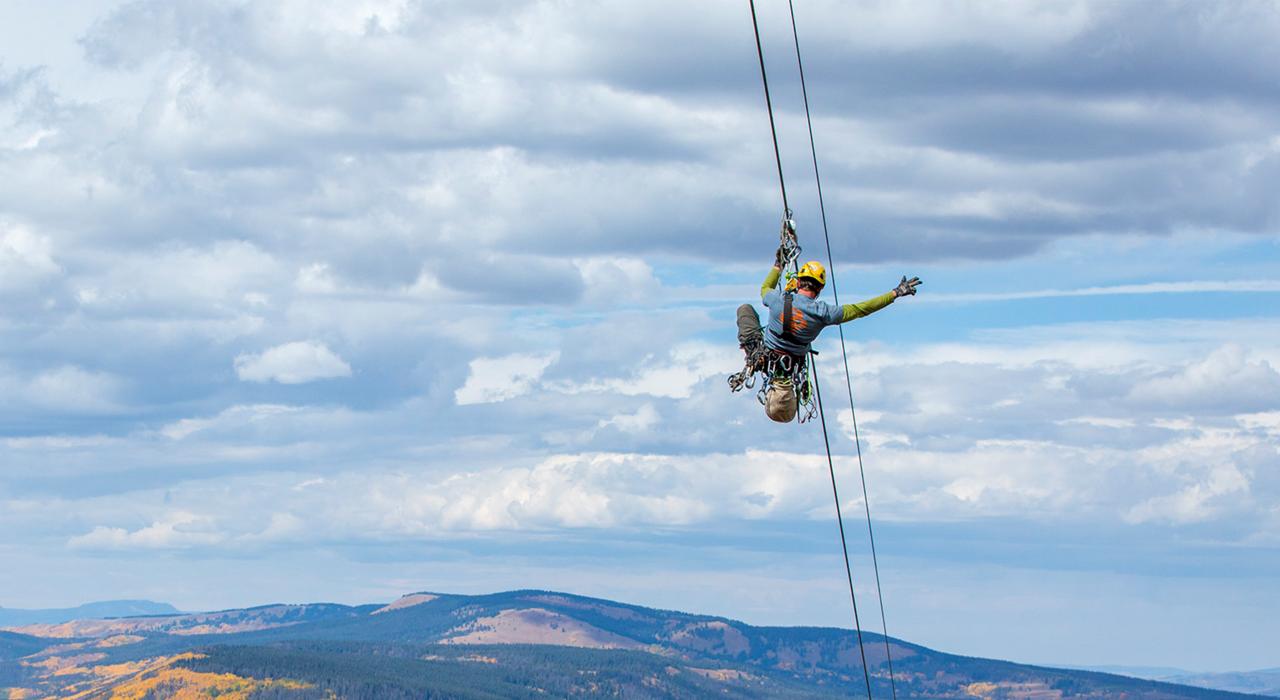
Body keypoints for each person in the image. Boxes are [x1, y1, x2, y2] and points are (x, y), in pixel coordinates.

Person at [735, 237, 921, 422]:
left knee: (745, 309)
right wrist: (895, 293)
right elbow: (862, 309)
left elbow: (765, 288)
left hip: (767, 355)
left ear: (799, 283)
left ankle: (750, 353)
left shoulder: (778, 300)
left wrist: (778, 264)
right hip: (790, 361)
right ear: (820, 288)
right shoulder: (823, 313)